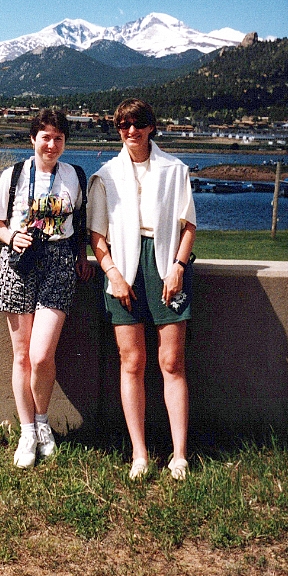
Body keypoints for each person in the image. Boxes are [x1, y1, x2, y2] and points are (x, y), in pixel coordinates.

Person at [87, 99, 196, 481]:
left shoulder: (174, 170)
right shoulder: (105, 175)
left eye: (137, 124)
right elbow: (97, 237)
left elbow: (188, 226)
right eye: (122, 125)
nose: (130, 131)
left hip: (166, 266)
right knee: (132, 362)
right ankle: (140, 454)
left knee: (171, 362)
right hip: (123, 269)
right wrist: (114, 274)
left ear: (151, 127)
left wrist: (178, 268)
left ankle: (179, 454)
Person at [0, 108, 93, 469]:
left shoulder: (74, 176)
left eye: (58, 138)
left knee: (41, 356)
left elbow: (79, 223)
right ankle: (27, 431)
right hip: (20, 264)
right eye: (45, 137)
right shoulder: (14, 174)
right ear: (33, 139)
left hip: (59, 265)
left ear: (65, 142)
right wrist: (10, 237)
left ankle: (43, 422)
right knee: (21, 355)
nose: (51, 144)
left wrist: (81, 256)